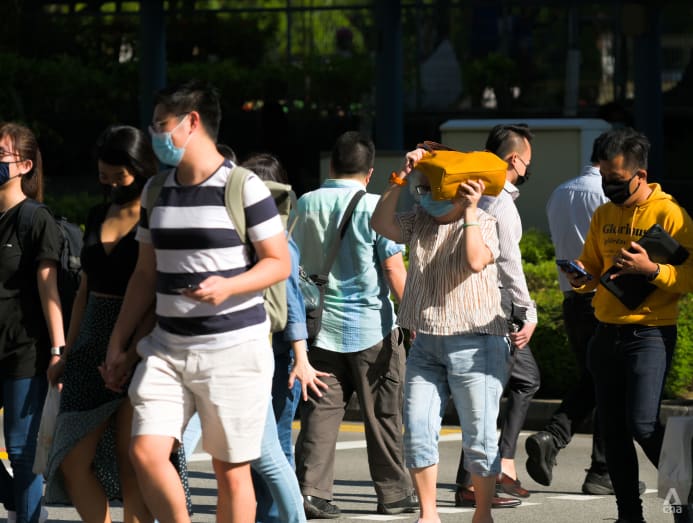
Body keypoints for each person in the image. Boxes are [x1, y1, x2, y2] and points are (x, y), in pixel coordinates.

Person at [101, 80, 291, 523]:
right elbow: (144, 274)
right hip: (167, 348)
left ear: (192, 122)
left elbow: (278, 262)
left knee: (231, 472)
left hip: (233, 349)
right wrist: (118, 341)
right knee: (145, 452)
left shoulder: (243, 186)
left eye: (161, 124)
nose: (154, 134)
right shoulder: (156, 191)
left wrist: (230, 286)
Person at [44, 125, 190, 522]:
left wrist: (131, 349)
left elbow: (157, 291)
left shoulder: (156, 215)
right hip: (92, 337)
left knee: (133, 463)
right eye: (102, 176)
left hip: (142, 340)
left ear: (139, 170)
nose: (108, 184)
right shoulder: (96, 214)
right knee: (72, 460)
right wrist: (67, 350)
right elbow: (84, 290)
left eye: (117, 176)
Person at [371, 148, 512, 523]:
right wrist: (399, 178)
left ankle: (482, 513)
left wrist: (470, 211)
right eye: (420, 189)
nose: (423, 197)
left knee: (480, 437)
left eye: (429, 189)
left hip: (476, 342)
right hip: (426, 343)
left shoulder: (484, 221)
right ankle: (428, 514)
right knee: (417, 431)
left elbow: (474, 261)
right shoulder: (419, 220)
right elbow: (379, 223)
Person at [567, 127, 693, 522]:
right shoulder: (604, 213)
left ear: (641, 174)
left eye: (617, 179)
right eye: (604, 177)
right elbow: (593, 266)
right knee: (614, 431)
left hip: (650, 333)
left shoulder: (671, 214)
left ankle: (685, 502)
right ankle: (629, 515)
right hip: (606, 331)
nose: (609, 186)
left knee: (643, 424)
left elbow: (689, 276)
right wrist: (581, 276)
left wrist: (651, 269)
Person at [292, 131, 416, 519]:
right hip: (372, 329)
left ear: (331, 165)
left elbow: (293, 262)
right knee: (384, 415)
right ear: (370, 171)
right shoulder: (375, 206)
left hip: (319, 328)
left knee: (320, 415)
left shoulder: (305, 203)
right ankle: (393, 494)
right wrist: (414, 316)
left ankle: (311, 492)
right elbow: (394, 270)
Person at [525, 137, 617, 494]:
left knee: (595, 380)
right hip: (605, 299)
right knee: (607, 384)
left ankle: (567, 447)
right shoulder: (608, 196)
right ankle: (599, 469)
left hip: (572, 299)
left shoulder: (559, 193)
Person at [241, 152, 329, 523]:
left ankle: (280, 516)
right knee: (257, 447)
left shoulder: (279, 244)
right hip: (257, 354)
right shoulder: (247, 239)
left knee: (274, 445)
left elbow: (292, 308)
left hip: (279, 357)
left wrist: (301, 358)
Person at [454, 123, 538, 508]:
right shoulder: (501, 203)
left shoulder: (473, 193)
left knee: (519, 381)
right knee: (489, 393)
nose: (528, 168)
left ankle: (499, 466)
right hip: (497, 309)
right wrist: (528, 312)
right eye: (528, 161)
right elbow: (509, 263)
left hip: (473, 303)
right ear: (514, 159)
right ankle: (474, 481)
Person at [0, 122, 64, 523]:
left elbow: (48, 288)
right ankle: (16, 499)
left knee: (22, 451)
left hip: (24, 349)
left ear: (24, 166)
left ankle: (27, 514)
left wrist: (58, 349)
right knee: (21, 457)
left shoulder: (35, 218)